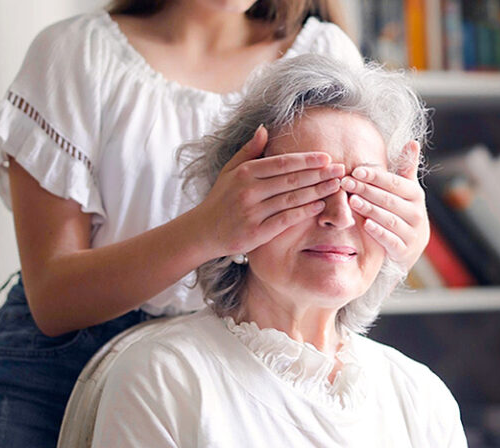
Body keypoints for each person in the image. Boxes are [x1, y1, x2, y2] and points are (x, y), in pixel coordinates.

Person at [0, 0, 431, 446]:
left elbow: (338, 243)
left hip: (241, 355)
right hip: (58, 364)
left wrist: (401, 233)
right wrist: (210, 230)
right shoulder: (75, 56)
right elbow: (54, 299)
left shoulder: (322, 51)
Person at [87, 54, 466, 447]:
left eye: (363, 192)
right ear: (236, 209)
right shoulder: (164, 380)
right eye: (305, 187)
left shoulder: (422, 399)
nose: (340, 216)